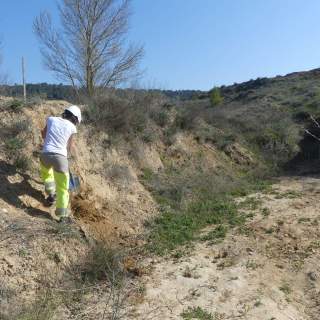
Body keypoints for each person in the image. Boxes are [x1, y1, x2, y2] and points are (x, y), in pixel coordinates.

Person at [40, 105, 81, 222]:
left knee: (47, 173)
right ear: (75, 119)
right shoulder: (72, 128)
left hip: (45, 154)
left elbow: (43, 135)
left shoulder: (51, 119)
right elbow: (70, 146)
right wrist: (72, 158)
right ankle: (62, 216)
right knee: (63, 188)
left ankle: (51, 195)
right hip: (60, 159)